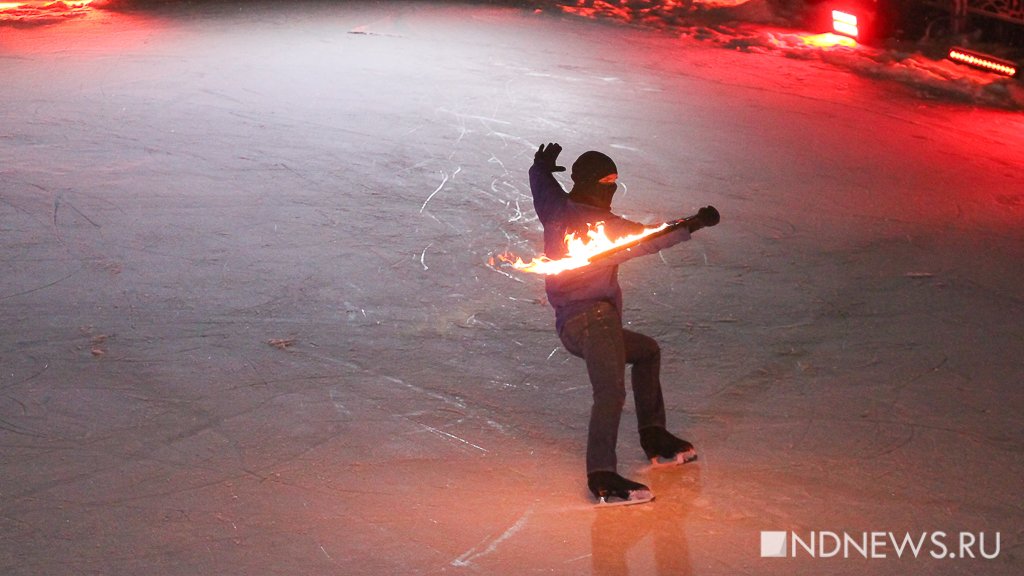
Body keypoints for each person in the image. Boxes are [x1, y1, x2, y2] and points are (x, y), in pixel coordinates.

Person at [528, 142, 720, 504]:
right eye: (605, 181)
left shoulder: (555, 207)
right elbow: (650, 240)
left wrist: (540, 164)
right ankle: (601, 474)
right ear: (589, 183)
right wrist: (692, 224)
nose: (611, 188)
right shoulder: (606, 227)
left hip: (578, 323)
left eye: (615, 181)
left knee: (646, 352)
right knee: (611, 392)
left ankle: (653, 434)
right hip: (592, 320)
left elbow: (542, 185)